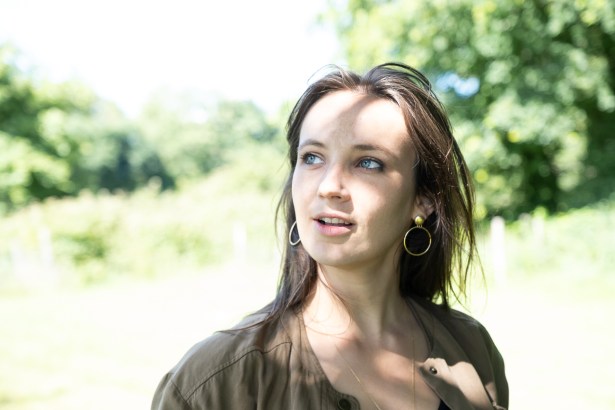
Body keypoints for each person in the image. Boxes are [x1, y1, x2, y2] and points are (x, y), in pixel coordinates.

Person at [152, 62, 508, 410]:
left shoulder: (472, 349)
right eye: (312, 158)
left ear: (423, 200)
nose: (329, 186)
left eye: (368, 162)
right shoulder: (212, 383)